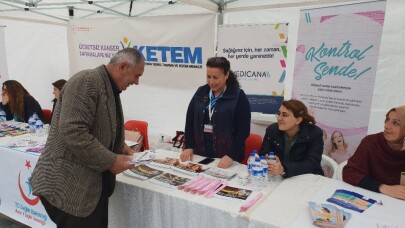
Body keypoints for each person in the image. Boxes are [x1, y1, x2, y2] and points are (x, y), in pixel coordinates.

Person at [30, 48, 145, 227]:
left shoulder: (107, 86)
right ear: (123, 66)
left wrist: (119, 145)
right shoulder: (86, 82)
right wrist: (111, 161)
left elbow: (98, 126)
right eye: (136, 76)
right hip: (70, 190)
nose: (137, 82)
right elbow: (72, 131)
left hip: (87, 192)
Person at [181, 56, 251, 169]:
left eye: (215, 77)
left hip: (225, 158)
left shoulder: (238, 96)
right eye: (208, 77)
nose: (211, 82)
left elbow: (243, 131)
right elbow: (190, 121)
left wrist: (231, 155)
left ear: (226, 75)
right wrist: (189, 146)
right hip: (200, 155)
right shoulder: (201, 92)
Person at [343, 106, 405, 200]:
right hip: (372, 200)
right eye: (387, 119)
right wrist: (383, 187)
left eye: (395, 123)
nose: (387, 126)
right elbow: (349, 173)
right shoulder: (371, 142)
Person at [259, 99, 324, 178]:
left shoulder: (314, 133)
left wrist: (283, 168)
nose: (279, 118)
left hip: (308, 179)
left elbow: (312, 164)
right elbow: (263, 154)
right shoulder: (272, 130)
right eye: (279, 114)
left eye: (285, 115)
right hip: (279, 178)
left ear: (298, 120)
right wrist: (267, 161)